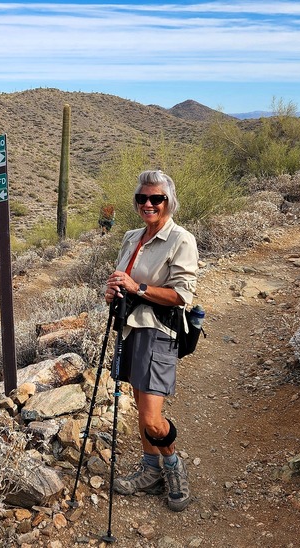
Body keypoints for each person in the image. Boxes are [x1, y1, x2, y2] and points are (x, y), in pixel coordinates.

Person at [105, 170, 198, 512]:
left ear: (168, 202)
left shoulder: (181, 240)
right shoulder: (132, 237)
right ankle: (149, 469)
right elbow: (124, 282)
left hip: (158, 330)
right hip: (130, 328)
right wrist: (113, 292)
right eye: (142, 198)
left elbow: (182, 295)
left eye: (156, 198)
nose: (148, 204)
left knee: (151, 418)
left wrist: (138, 288)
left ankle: (172, 465)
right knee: (140, 403)